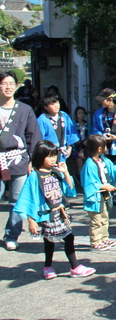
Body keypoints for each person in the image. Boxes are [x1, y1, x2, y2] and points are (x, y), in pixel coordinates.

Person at [13, 140, 96, 279]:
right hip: (46, 214)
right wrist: (31, 221)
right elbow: (28, 199)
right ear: (40, 157)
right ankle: (74, 267)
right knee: (66, 238)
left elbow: (69, 188)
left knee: (52, 240)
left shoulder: (55, 173)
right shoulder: (34, 176)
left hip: (59, 212)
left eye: (54, 155)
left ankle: (48, 267)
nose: (53, 159)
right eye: (49, 156)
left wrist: (65, 172)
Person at [0, 71, 41, 251]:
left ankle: (12, 234)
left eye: (11, 83)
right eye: (4, 83)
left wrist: (33, 160)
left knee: (17, 201)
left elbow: (33, 136)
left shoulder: (25, 110)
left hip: (18, 159)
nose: (8, 86)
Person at [80, 134, 116, 251]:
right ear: (99, 148)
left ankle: (104, 238)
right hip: (95, 197)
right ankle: (95, 242)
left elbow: (112, 169)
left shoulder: (103, 159)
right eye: (105, 145)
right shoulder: (89, 164)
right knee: (97, 220)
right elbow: (89, 183)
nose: (106, 147)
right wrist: (104, 186)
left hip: (104, 195)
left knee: (104, 218)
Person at [37, 94, 80, 165]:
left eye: (57, 103)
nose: (56, 106)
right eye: (52, 104)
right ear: (45, 107)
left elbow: (70, 132)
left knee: (63, 172)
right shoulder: (42, 119)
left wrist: (69, 147)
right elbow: (40, 138)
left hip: (63, 151)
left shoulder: (64, 115)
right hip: (49, 153)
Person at [70, 106, 89, 176]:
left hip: (86, 145)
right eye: (79, 113)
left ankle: (85, 179)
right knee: (80, 165)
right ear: (76, 114)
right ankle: (81, 180)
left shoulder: (87, 124)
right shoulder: (73, 123)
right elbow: (71, 135)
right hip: (76, 145)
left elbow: (90, 134)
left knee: (86, 164)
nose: (82, 115)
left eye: (83, 113)